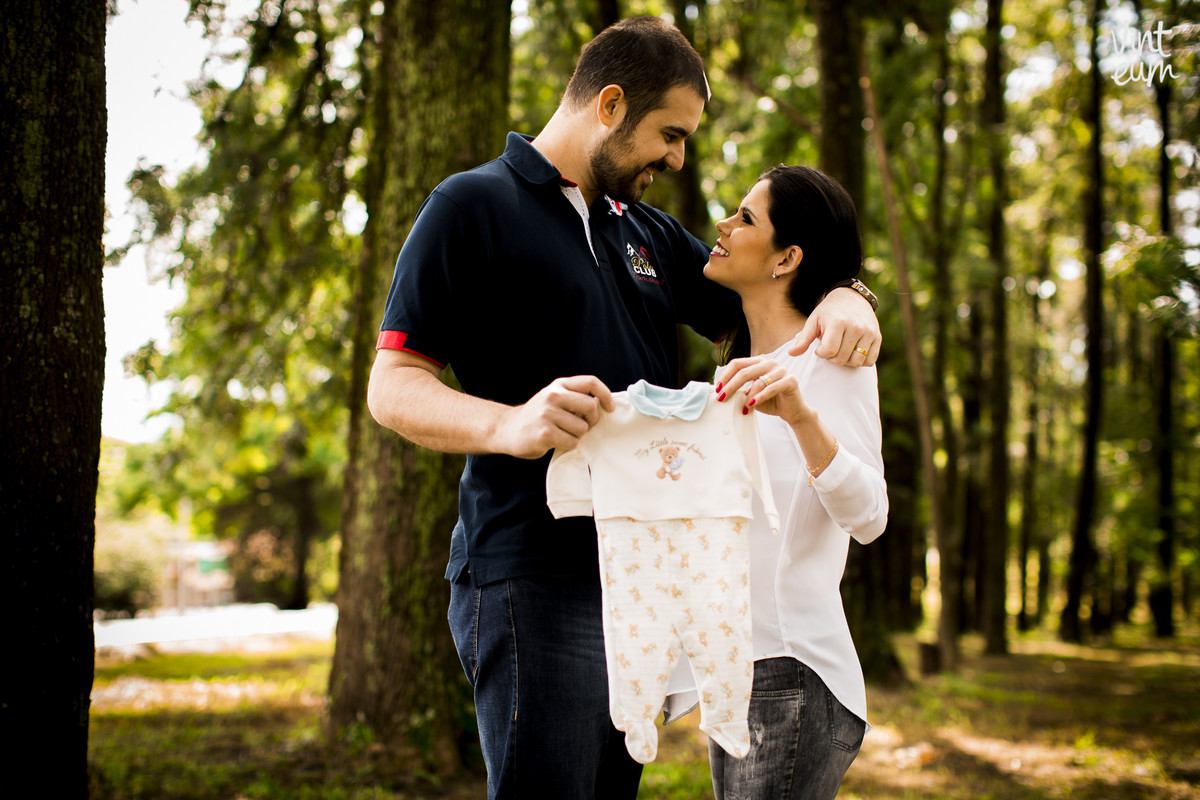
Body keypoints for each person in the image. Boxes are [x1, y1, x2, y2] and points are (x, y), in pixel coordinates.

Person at [366, 17, 882, 800]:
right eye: (669, 135)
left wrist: (850, 296)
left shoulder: (641, 230)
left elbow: (772, 294)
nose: (678, 159)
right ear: (609, 105)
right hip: (529, 575)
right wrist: (507, 424)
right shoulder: (469, 206)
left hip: (636, 587)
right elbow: (392, 385)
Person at [680, 164, 889, 799]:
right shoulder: (735, 376)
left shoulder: (831, 363)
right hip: (738, 673)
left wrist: (801, 417)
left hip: (791, 674)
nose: (723, 224)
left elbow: (871, 515)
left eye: (746, 218)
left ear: (786, 258)